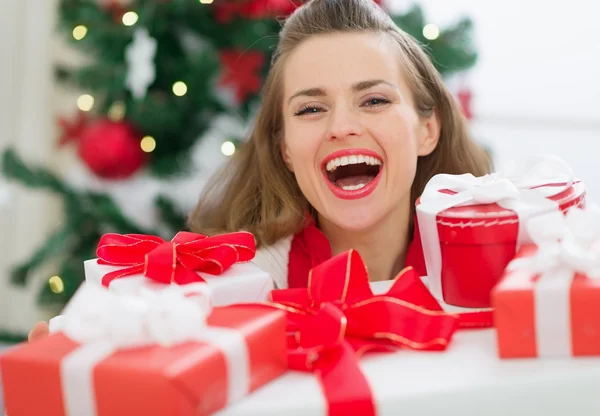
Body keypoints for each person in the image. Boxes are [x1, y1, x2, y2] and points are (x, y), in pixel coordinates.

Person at [27, 0, 490, 341]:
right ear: (286, 148)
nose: (342, 127)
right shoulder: (239, 286)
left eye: (374, 100)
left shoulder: (496, 257)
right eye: (311, 109)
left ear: (427, 129)